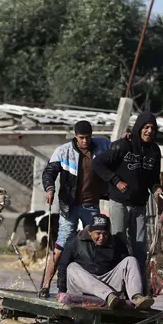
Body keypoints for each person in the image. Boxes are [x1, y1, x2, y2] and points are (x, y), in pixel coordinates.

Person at [40, 120, 111, 297]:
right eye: (81, 138)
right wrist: (50, 188)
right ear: (75, 136)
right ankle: (46, 285)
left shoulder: (102, 146)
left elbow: (119, 150)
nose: (85, 141)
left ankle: (97, 288)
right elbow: (49, 172)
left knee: (97, 243)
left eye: (88, 137)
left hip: (91, 205)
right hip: (69, 206)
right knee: (61, 246)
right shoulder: (63, 151)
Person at [91, 111, 163, 278]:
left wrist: (157, 189)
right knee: (119, 241)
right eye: (146, 127)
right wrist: (116, 181)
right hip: (119, 202)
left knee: (140, 246)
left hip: (139, 205)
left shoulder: (155, 151)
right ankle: (116, 279)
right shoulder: (124, 145)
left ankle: (138, 285)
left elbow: (154, 178)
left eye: (152, 128)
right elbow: (98, 163)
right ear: (139, 128)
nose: (149, 131)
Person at [57, 214, 154, 309]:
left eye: (105, 234)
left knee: (131, 260)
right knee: (72, 267)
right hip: (85, 285)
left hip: (108, 284)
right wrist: (61, 291)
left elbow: (127, 273)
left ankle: (136, 297)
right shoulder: (75, 241)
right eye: (98, 233)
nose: (102, 237)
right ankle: (107, 295)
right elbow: (62, 267)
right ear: (90, 232)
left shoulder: (116, 242)